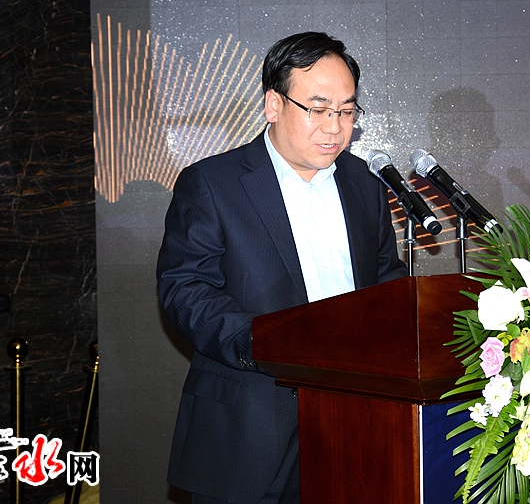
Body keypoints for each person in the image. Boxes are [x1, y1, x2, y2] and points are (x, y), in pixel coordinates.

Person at [157, 31, 407, 504]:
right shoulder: (213, 183)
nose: (334, 127)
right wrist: (271, 343)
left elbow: (385, 278)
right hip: (249, 431)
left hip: (355, 427)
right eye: (318, 108)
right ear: (274, 104)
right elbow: (185, 291)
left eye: (347, 111)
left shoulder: (364, 185)